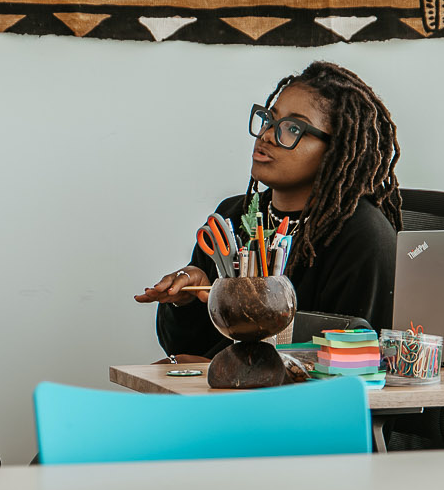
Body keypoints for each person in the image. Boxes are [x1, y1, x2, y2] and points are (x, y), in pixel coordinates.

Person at [136, 62, 402, 358]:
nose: (266, 135)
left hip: (308, 402)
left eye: (292, 128)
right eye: (269, 120)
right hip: (226, 396)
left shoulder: (363, 237)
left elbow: (352, 361)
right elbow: (183, 350)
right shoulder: (233, 216)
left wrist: (224, 368)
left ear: (335, 149)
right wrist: (189, 301)